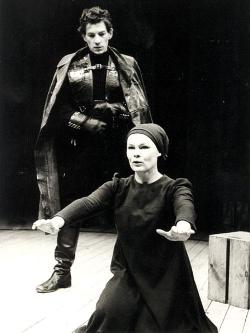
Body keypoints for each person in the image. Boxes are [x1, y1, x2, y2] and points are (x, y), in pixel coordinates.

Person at [33, 123, 218, 333]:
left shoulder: (174, 187)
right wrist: (57, 221)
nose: (136, 154)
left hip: (166, 274)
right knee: (107, 314)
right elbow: (88, 202)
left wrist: (183, 224)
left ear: (159, 151)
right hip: (127, 268)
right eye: (131, 148)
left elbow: (184, 204)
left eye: (143, 147)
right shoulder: (117, 186)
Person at [34, 7, 152, 293]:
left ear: (110, 33)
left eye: (102, 33)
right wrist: (84, 122)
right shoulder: (69, 64)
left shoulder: (127, 64)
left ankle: (133, 274)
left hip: (119, 147)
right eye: (91, 35)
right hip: (81, 149)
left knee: (127, 205)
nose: (97, 39)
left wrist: (113, 110)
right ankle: (62, 272)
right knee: (72, 205)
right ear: (84, 36)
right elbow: (56, 110)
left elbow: (139, 106)